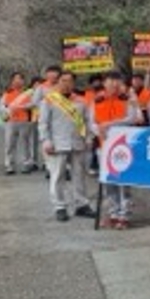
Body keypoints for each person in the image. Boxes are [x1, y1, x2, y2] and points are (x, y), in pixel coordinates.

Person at [38, 71, 96, 222]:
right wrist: (46, 140)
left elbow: (88, 121)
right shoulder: (49, 100)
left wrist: (89, 137)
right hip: (57, 144)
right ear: (58, 82)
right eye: (63, 81)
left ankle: (81, 204)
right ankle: (59, 206)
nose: (66, 84)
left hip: (77, 143)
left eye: (69, 81)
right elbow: (43, 123)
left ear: (74, 83)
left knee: (79, 175)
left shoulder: (82, 101)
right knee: (58, 176)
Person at [90, 71, 138, 229]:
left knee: (123, 180)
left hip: (123, 147)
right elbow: (91, 122)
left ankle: (125, 214)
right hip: (103, 146)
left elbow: (131, 119)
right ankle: (113, 212)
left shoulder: (127, 100)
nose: (114, 84)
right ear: (104, 83)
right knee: (108, 181)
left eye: (117, 81)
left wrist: (110, 125)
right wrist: (99, 130)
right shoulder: (97, 100)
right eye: (110, 81)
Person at [0, 72, 35, 175]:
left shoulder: (28, 93)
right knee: (10, 144)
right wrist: (7, 110)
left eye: (20, 79)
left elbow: (33, 104)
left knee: (25, 143)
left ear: (23, 81)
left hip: (25, 120)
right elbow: (1, 105)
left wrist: (21, 107)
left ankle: (26, 164)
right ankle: (9, 165)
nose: (17, 81)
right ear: (11, 81)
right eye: (15, 79)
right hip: (11, 121)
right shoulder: (7, 92)